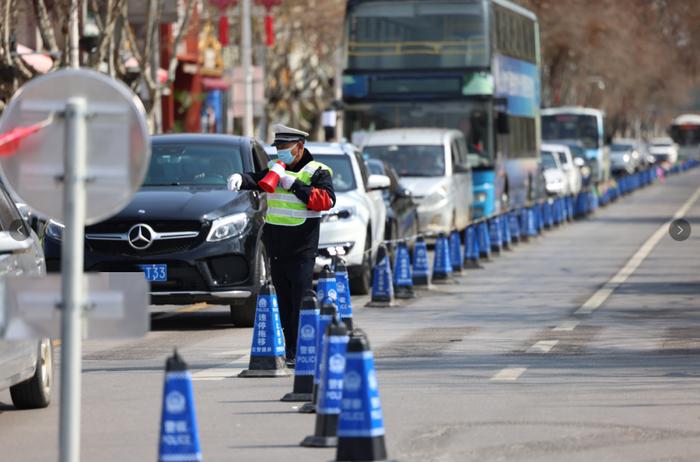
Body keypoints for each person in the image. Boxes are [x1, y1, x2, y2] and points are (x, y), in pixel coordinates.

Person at [227, 124, 335, 367]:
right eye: (277, 148)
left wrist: (294, 185)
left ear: (299, 147)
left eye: (285, 148)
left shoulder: (317, 171)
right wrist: (240, 179)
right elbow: (258, 180)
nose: (280, 153)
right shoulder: (277, 169)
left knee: (301, 300)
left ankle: (303, 349)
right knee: (284, 302)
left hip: (302, 249)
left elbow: (326, 200)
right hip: (277, 247)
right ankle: (290, 350)